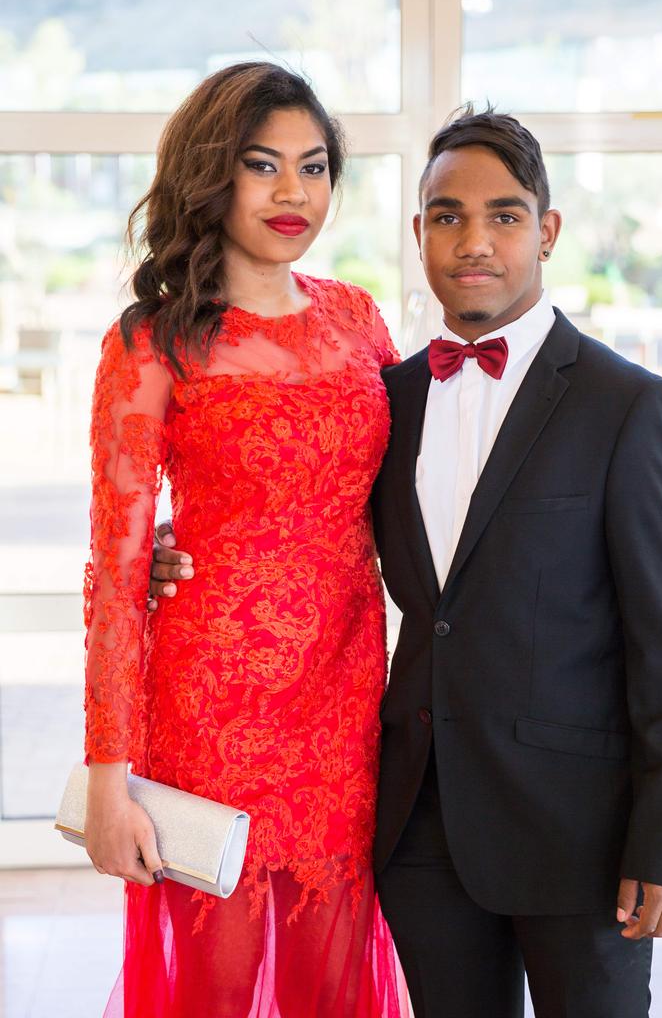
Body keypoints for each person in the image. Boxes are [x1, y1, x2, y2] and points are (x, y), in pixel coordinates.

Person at [152, 107, 662, 1018]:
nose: (476, 241)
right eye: (448, 216)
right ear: (419, 234)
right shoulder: (392, 394)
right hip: (420, 829)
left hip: (580, 836)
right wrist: (172, 552)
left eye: (504, 215)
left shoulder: (630, 407)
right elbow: (302, 510)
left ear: (548, 230)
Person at [83, 61, 407, 1018]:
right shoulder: (151, 342)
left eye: (312, 167)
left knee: (328, 975)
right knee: (214, 986)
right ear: (210, 175)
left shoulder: (357, 319)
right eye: (261, 165)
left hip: (345, 699)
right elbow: (117, 569)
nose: (291, 192)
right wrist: (111, 783)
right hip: (210, 705)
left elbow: (412, 492)